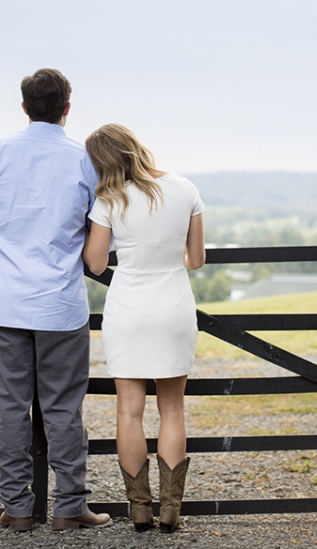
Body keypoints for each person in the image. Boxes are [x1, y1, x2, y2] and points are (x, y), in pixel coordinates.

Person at [0, 69, 111, 532]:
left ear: (24, 106)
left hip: (5, 303)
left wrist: (13, 239)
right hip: (60, 307)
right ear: (67, 108)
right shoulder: (86, 160)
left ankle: (18, 509)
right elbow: (100, 228)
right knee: (64, 410)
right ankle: (69, 508)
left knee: (10, 409)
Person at [82, 123, 205, 533]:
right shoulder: (185, 189)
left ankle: (139, 508)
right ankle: (171, 509)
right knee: (172, 409)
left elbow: (96, 264)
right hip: (173, 305)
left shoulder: (107, 199)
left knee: (128, 411)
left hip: (128, 309)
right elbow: (196, 259)